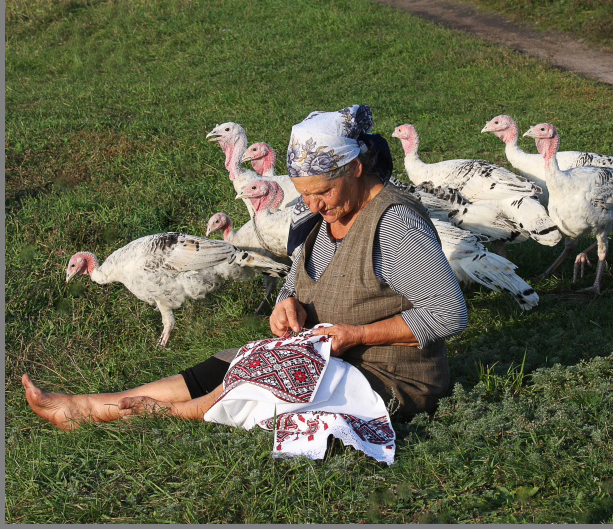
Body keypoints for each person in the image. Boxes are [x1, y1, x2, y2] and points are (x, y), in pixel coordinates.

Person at [23, 104, 467, 432]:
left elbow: (449, 312)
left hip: (387, 377)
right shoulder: (319, 215)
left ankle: (148, 415)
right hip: (322, 357)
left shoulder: (394, 223)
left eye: (322, 192)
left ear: (354, 167)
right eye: (303, 193)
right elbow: (296, 278)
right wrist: (285, 302)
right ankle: (87, 403)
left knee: (256, 378)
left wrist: (358, 334)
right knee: (227, 365)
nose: (311, 204)